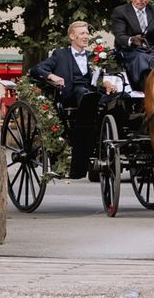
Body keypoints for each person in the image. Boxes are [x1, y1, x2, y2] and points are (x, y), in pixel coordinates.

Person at [30, 20, 106, 180]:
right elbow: (38, 69)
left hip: (91, 94)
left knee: (105, 98)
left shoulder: (93, 57)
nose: (86, 37)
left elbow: (100, 78)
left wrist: (107, 82)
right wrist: (52, 76)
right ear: (72, 36)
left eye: (87, 33)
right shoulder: (60, 54)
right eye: (82, 34)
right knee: (84, 93)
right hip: (71, 96)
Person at [109, 0, 154, 89]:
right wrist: (132, 39)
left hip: (150, 50)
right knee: (141, 59)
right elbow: (119, 35)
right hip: (130, 51)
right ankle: (147, 90)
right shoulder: (121, 11)